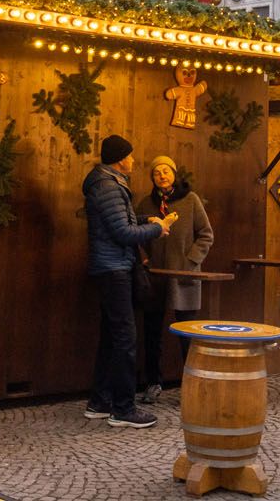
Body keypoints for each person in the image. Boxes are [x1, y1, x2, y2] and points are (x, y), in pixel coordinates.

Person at [83, 134, 170, 428]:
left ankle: (100, 401)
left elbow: (126, 222)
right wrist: (158, 230)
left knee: (111, 335)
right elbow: (123, 234)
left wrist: (148, 220)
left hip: (111, 266)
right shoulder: (108, 186)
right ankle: (123, 408)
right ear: (121, 159)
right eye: (131, 155)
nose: (134, 160)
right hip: (114, 268)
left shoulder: (109, 183)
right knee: (124, 337)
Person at [135, 156, 213, 404]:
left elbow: (206, 235)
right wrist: (145, 259)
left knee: (187, 334)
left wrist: (190, 262)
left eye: (166, 171)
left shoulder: (191, 200)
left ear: (174, 173)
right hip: (156, 278)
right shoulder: (146, 204)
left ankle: (191, 385)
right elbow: (135, 235)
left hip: (185, 277)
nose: (162, 175)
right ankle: (153, 383)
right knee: (152, 333)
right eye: (156, 172)